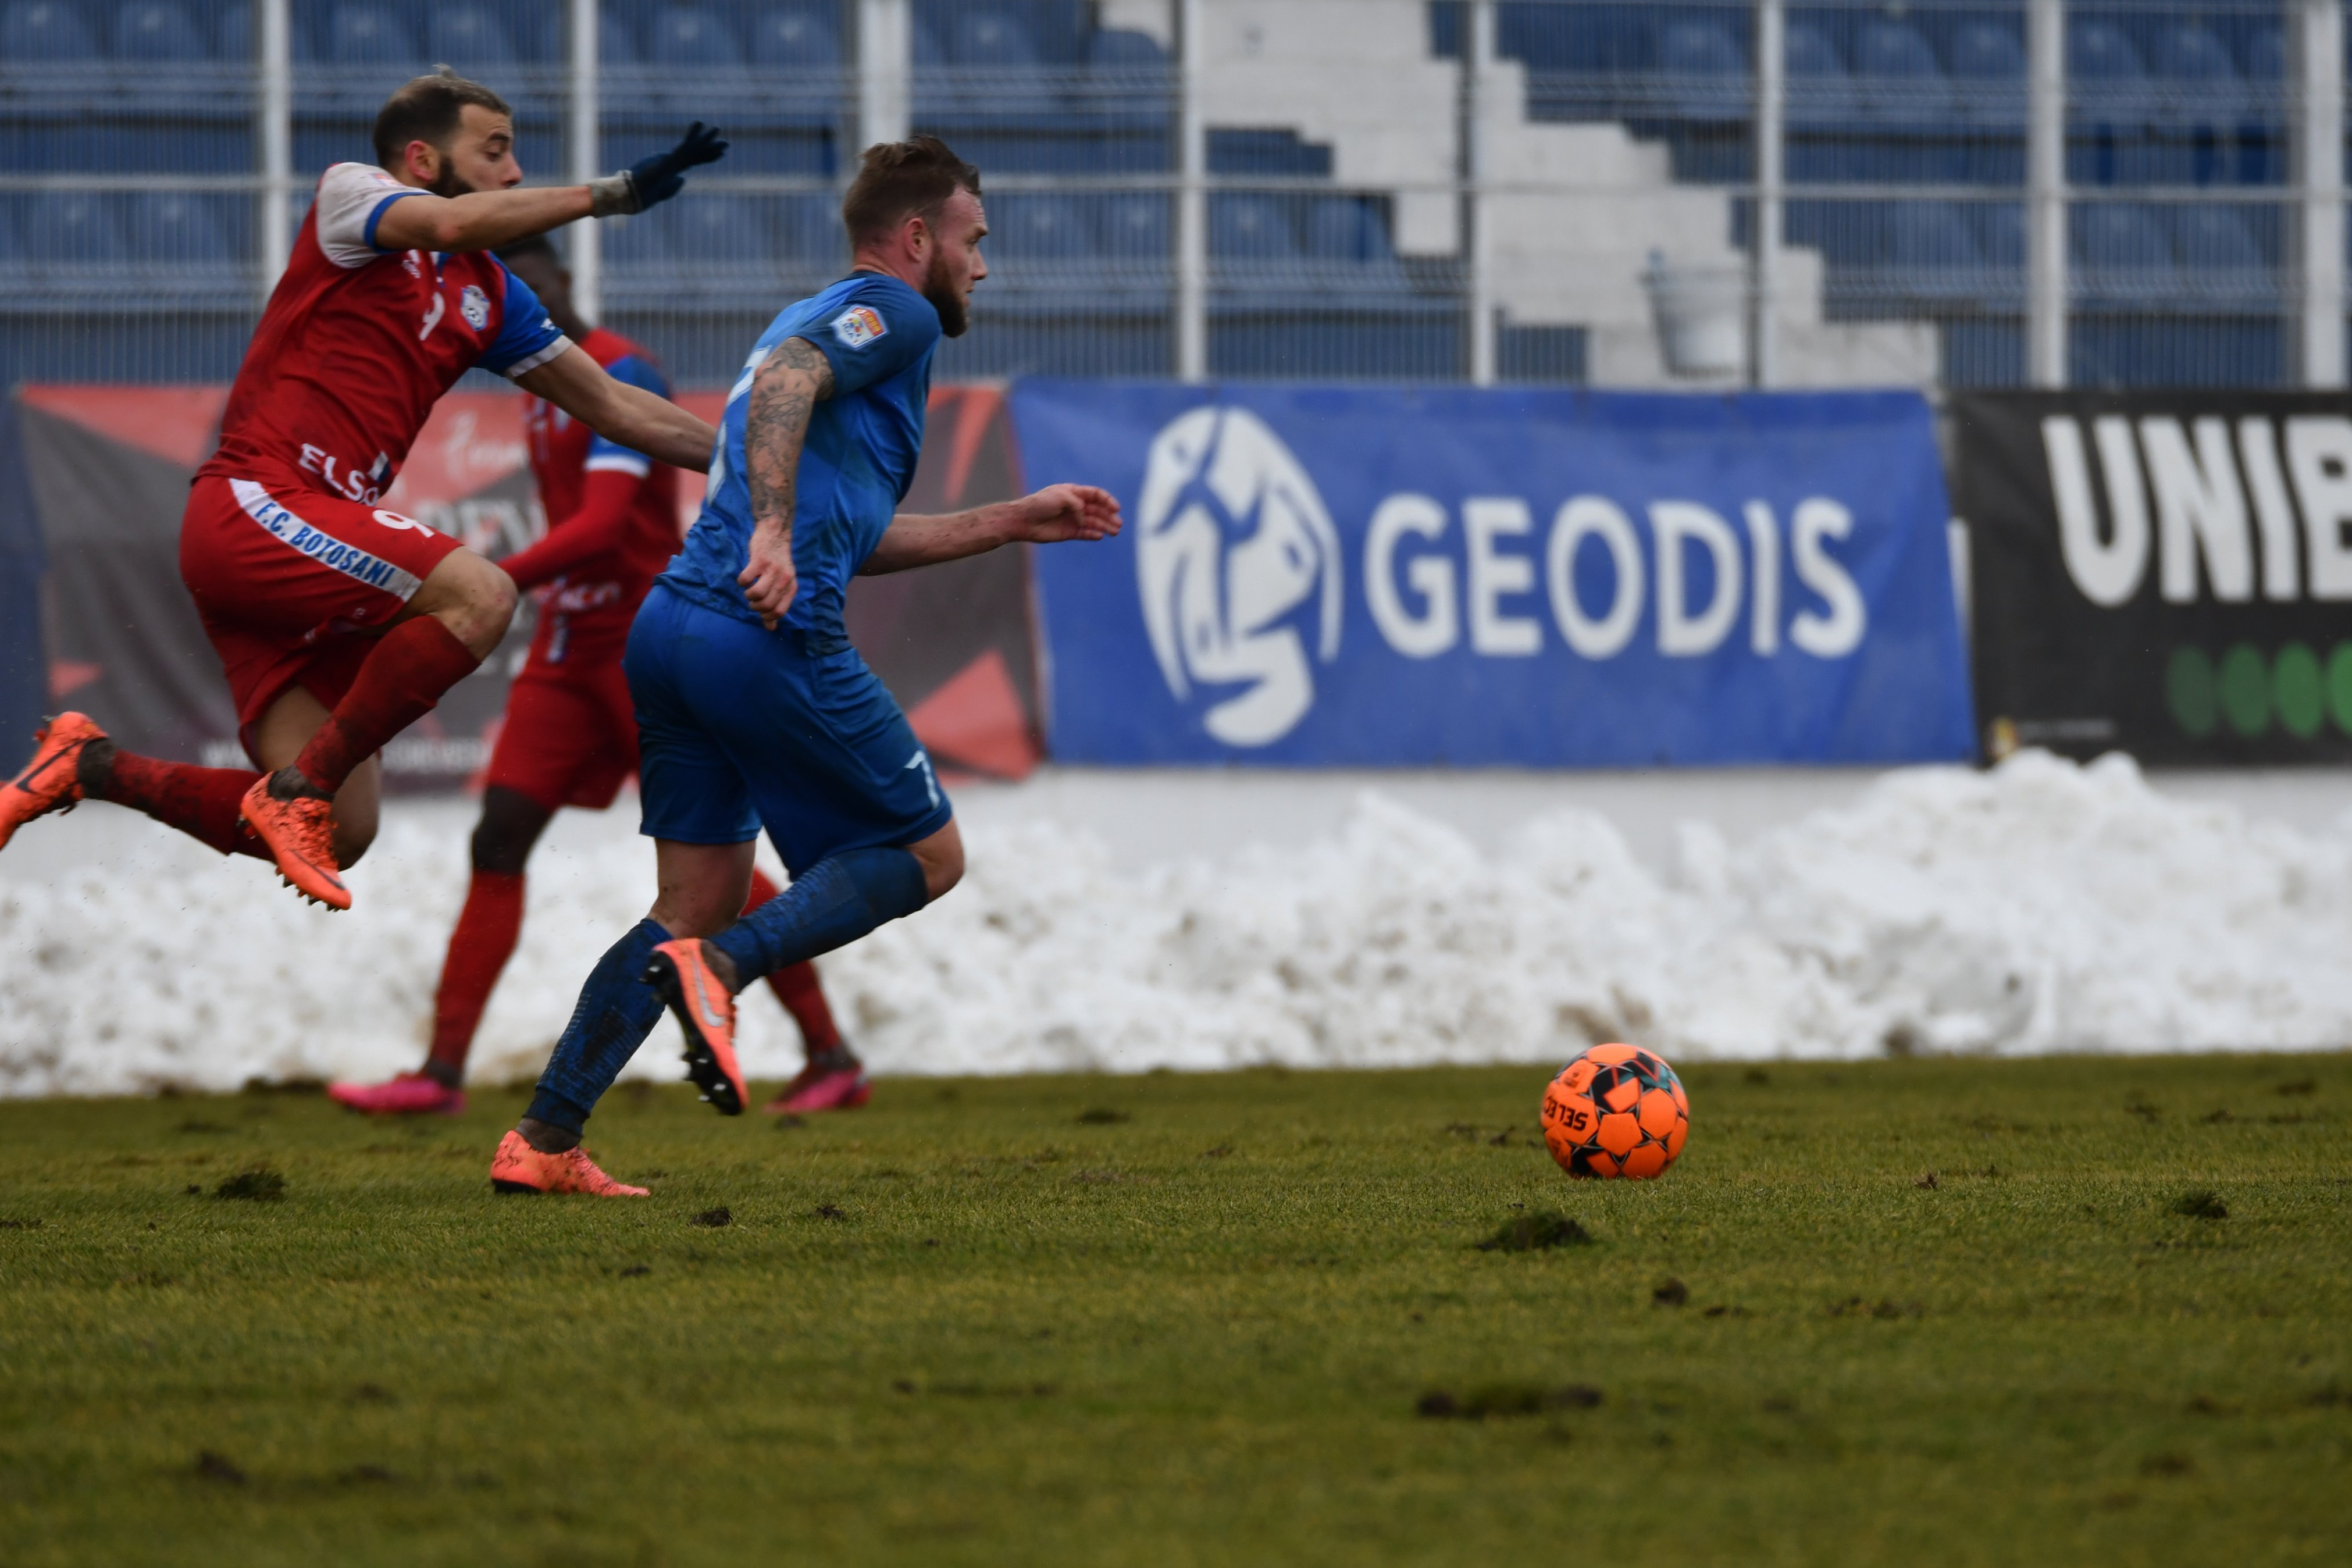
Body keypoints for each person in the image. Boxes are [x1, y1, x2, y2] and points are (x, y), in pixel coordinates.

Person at [489, 136, 1121, 1197]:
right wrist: (773, 532)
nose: (983, 266)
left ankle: (545, 1139)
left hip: (673, 631)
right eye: (974, 241)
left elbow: (855, 532)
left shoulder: (816, 318)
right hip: (760, 634)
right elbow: (789, 387)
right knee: (926, 859)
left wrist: (1010, 519)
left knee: (690, 901)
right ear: (917, 238)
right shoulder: (895, 312)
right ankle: (724, 972)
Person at [0, 70, 724, 918]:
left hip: (295, 559)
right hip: (258, 504)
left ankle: (91, 766)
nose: (515, 171)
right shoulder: (354, 200)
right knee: (478, 595)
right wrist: (610, 195)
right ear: (421, 158)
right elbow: (453, 220)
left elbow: (613, 404)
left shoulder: (491, 294)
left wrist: (757, 457)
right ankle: (298, 787)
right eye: (495, 150)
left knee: (347, 829)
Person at [326, 236, 857, 1119]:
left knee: (710, 871)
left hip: (640, 645)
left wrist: (490, 582)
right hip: (569, 650)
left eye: (532, 275)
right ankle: (441, 1074)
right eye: (501, 283)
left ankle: (830, 1053)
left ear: (566, 280)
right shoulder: (542, 393)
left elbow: (608, 525)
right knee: (497, 837)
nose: (522, 291)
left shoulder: (624, 373)